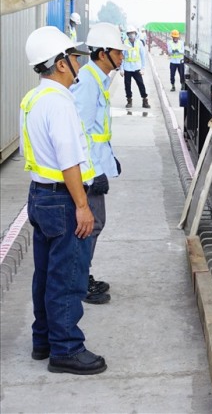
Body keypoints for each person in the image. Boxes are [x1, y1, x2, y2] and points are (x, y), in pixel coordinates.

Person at [20, 26, 107, 375]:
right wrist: (82, 206)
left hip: (40, 197)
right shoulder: (59, 104)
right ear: (59, 64)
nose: (77, 65)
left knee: (45, 274)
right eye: (73, 58)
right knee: (67, 277)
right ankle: (66, 349)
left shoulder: (34, 99)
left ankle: (43, 339)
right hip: (62, 199)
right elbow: (68, 161)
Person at [70, 22, 127, 305]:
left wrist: (109, 159)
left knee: (93, 224)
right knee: (90, 224)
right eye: (118, 52)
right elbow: (79, 131)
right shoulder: (88, 81)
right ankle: (78, 281)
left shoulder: (97, 78)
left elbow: (97, 129)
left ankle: (81, 275)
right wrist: (93, 173)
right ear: (103, 53)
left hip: (95, 163)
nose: (122, 57)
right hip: (87, 170)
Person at [120, 25, 150, 110]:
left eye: (132, 33)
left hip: (137, 68)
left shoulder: (139, 43)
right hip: (127, 68)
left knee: (141, 84)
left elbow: (143, 56)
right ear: (127, 34)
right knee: (127, 85)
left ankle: (144, 100)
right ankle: (129, 100)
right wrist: (121, 69)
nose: (131, 35)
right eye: (129, 33)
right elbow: (122, 57)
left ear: (135, 33)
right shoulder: (125, 44)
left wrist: (143, 68)